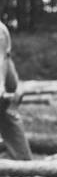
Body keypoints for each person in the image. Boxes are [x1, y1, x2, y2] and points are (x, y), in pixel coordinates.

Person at [0, 22, 32, 160]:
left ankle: (20, 159)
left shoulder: (1, 32)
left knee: (23, 161)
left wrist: (15, 91)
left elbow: (2, 60)